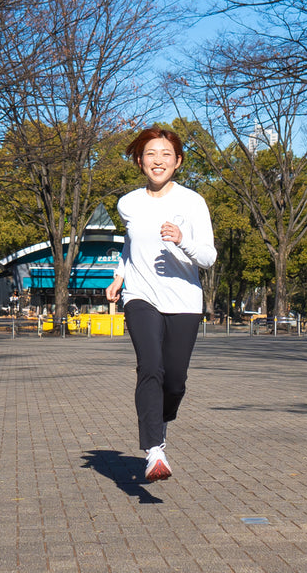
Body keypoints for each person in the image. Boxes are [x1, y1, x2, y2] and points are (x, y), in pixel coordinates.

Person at [106, 127, 216, 482]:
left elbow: (209, 258)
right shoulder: (129, 203)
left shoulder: (192, 202)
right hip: (140, 296)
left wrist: (182, 240)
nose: (158, 160)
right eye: (151, 154)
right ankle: (154, 451)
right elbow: (130, 245)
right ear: (140, 161)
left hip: (184, 300)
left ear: (178, 161)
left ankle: (161, 422)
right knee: (150, 366)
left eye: (166, 154)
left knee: (175, 382)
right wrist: (120, 277)